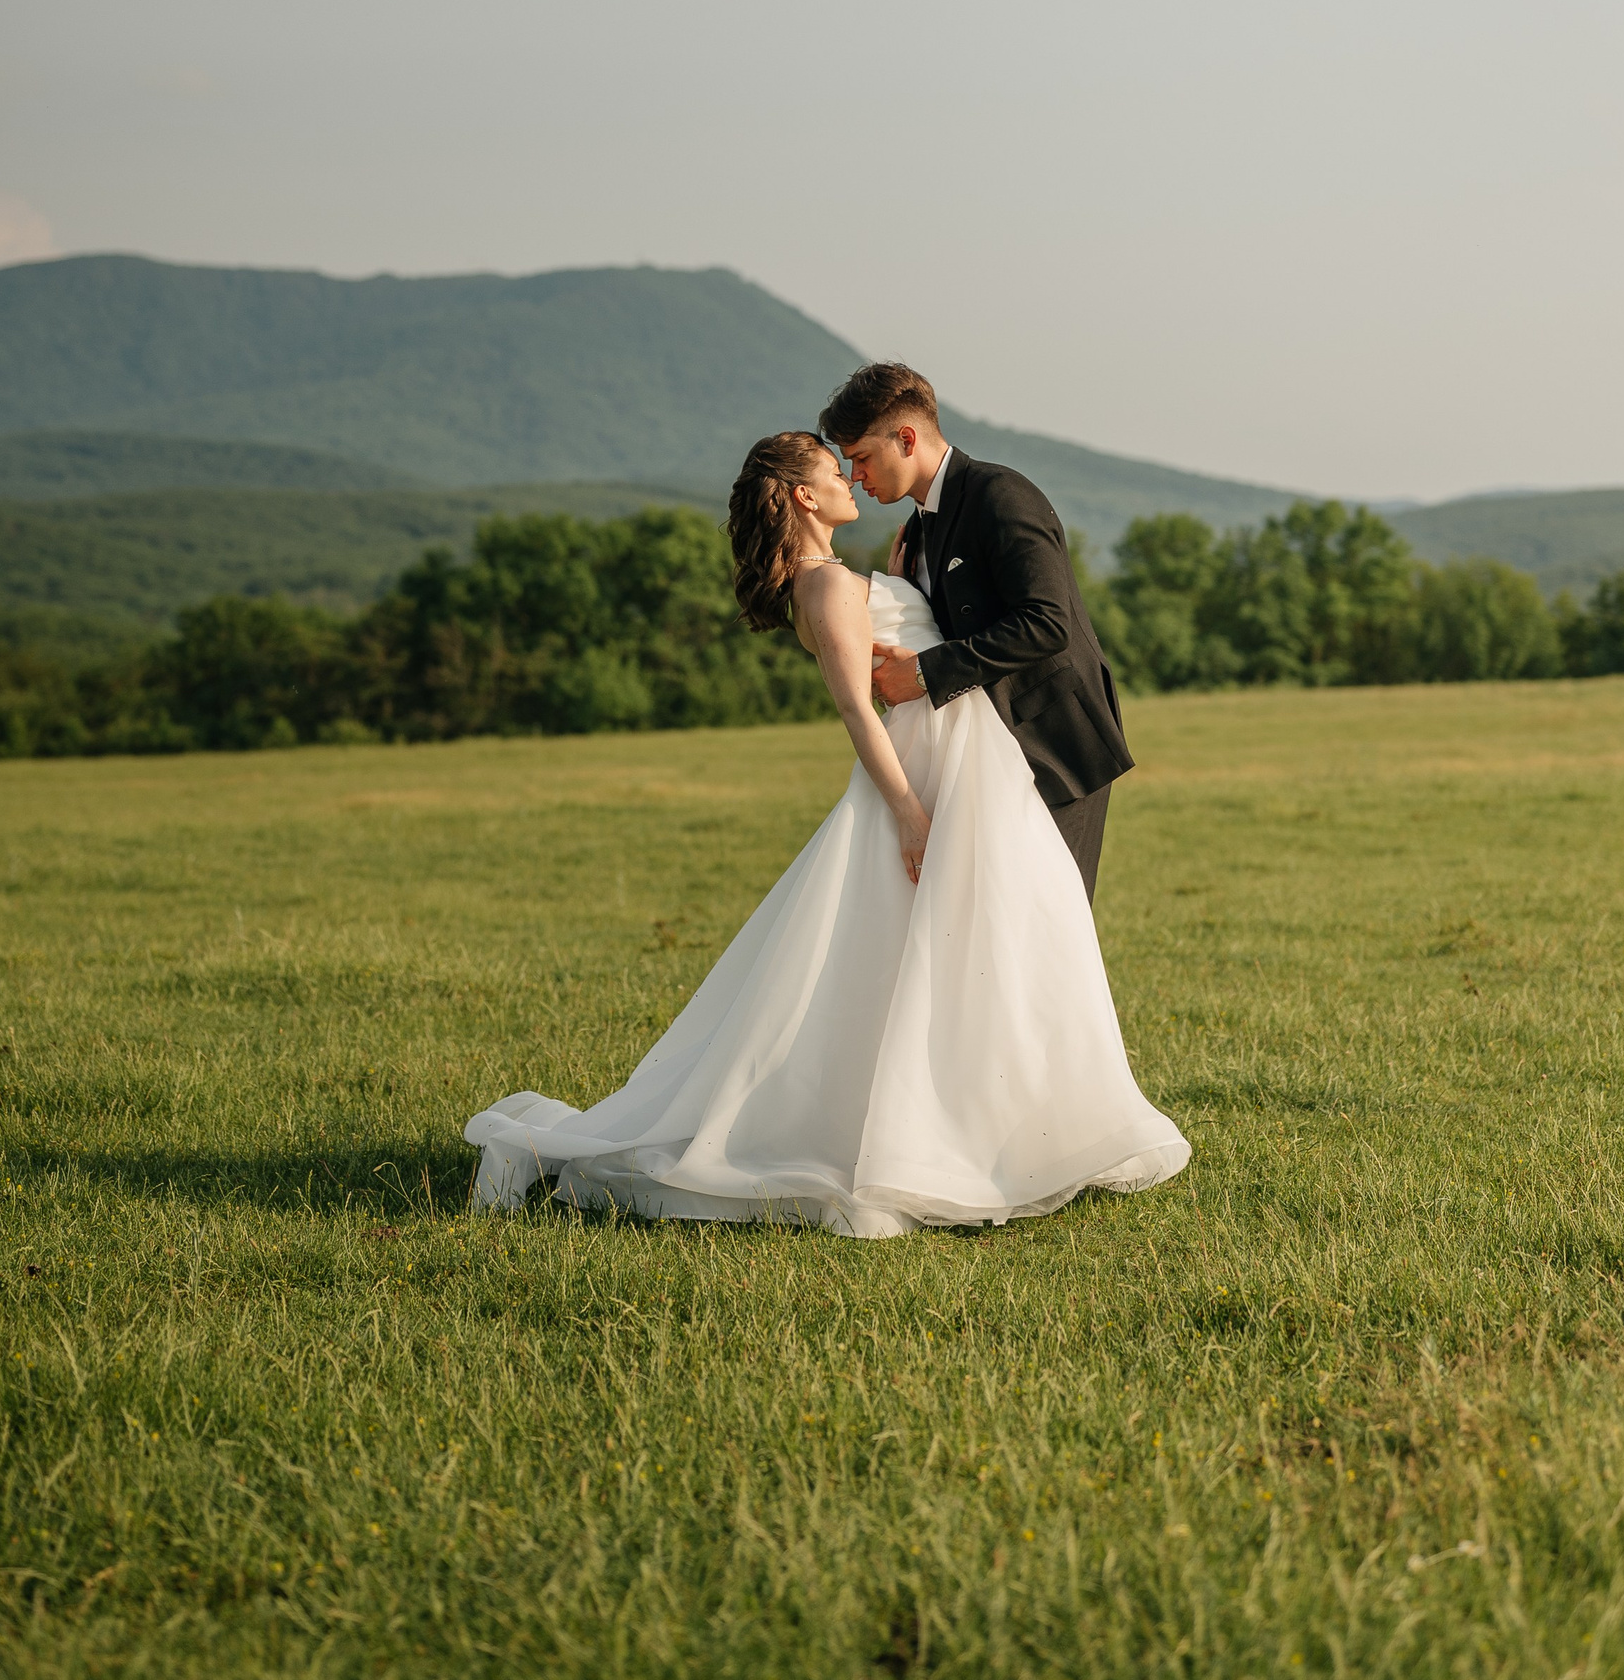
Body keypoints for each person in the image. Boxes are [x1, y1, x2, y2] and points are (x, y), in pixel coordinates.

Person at [465, 427, 1188, 1237]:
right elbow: (857, 710)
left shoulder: (841, 577)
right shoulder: (829, 587)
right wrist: (909, 813)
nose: (851, 479)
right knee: (965, 949)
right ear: (805, 497)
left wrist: (907, 577)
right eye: (833, 472)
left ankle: (1006, 1130)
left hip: (967, 763)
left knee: (981, 948)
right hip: (928, 776)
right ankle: (969, 1138)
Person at [821, 361, 1130, 904]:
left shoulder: (1000, 495)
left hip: (1052, 745)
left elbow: (1047, 623)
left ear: (907, 439)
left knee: (1048, 920)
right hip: (986, 754)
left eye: (862, 457)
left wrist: (923, 673)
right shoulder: (917, 528)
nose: (855, 476)